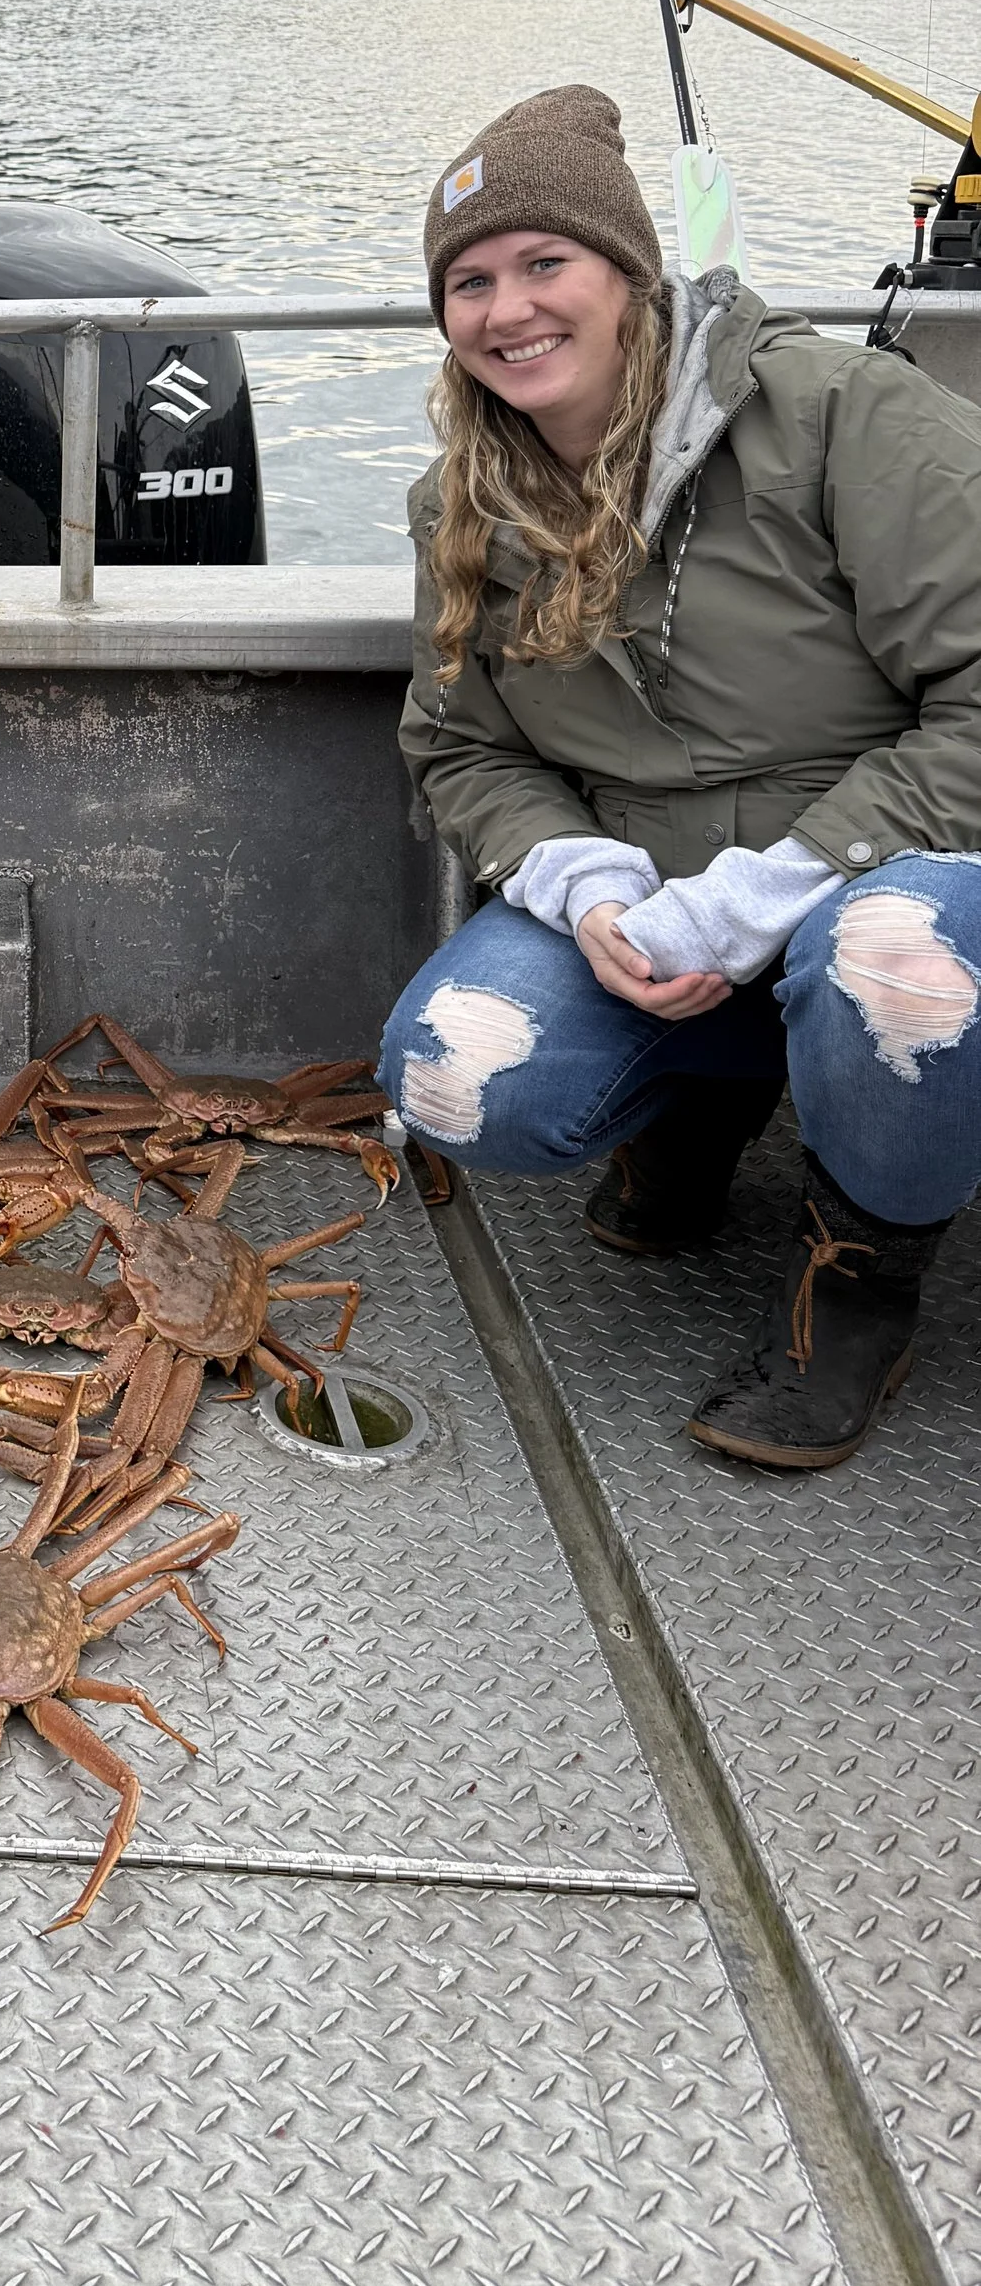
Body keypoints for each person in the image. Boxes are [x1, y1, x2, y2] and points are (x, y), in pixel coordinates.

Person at [380, 83, 981, 1470]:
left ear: (632, 273)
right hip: (647, 897)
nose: (507, 310)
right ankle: (696, 1102)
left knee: (893, 959)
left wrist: (769, 895)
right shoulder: (459, 503)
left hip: (886, 874)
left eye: (547, 264)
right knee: (456, 1079)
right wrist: (588, 886)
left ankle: (862, 1289)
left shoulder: (844, 415)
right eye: (468, 282)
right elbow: (464, 746)